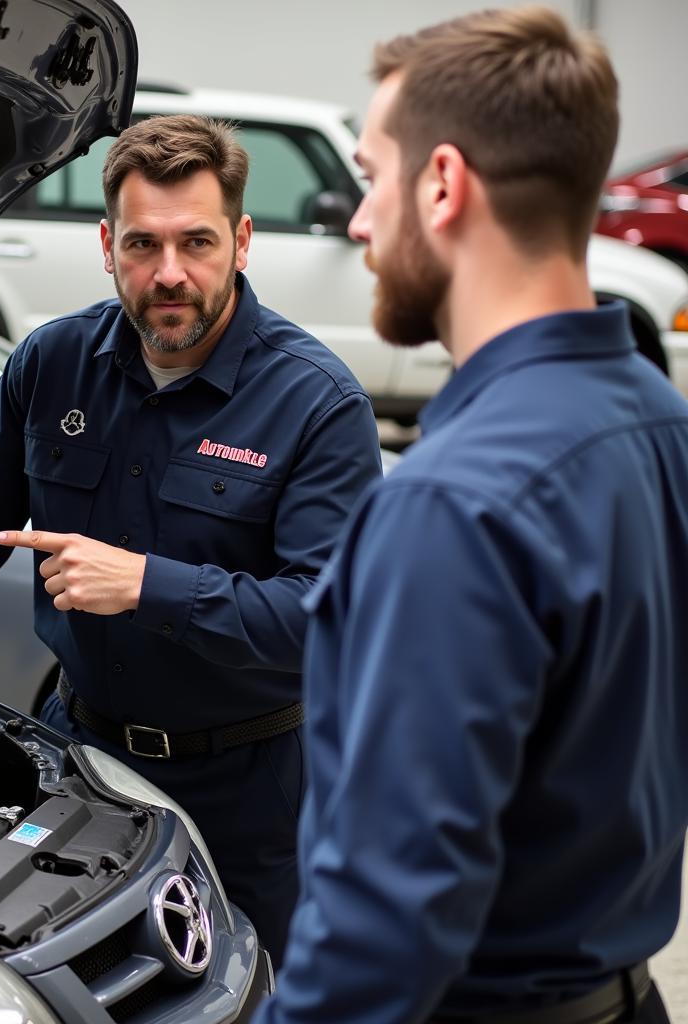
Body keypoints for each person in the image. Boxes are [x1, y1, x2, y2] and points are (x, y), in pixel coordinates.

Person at [0, 114, 384, 967]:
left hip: (254, 791)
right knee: (68, 983)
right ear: (105, 244)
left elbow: (334, 622)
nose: (170, 274)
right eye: (143, 244)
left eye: (197, 242)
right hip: (79, 761)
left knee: (250, 989)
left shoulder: (317, 403)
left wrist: (149, 583)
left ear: (242, 240)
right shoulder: (53, 363)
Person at [256, 7, 688, 1023]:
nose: (358, 220)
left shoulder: (448, 506)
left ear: (442, 184)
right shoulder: (660, 422)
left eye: (370, 175)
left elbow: (379, 937)